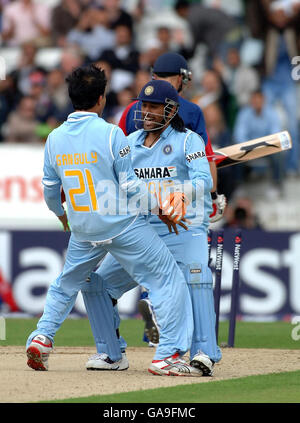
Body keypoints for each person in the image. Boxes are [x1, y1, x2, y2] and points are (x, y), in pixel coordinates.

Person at [25, 65, 200, 377]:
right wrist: (159, 208)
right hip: (122, 225)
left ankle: (43, 336)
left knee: (66, 283)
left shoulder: (54, 138)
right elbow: (131, 187)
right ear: (101, 99)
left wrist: (63, 216)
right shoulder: (111, 134)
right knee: (166, 279)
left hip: (82, 228)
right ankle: (167, 356)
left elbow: (51, 191)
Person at [82, 79, 222, 376]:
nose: (145, 111)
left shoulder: (188, 140)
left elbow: (204, 180)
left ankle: (204, 353)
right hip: (142, 230)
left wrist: (180, 193)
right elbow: (112, 182)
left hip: (185, 227)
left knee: (196, 273)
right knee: (95, 282)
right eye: (143, 105)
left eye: (153, 106)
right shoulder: (128, 143)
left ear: (170, 110)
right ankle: (111, 353)